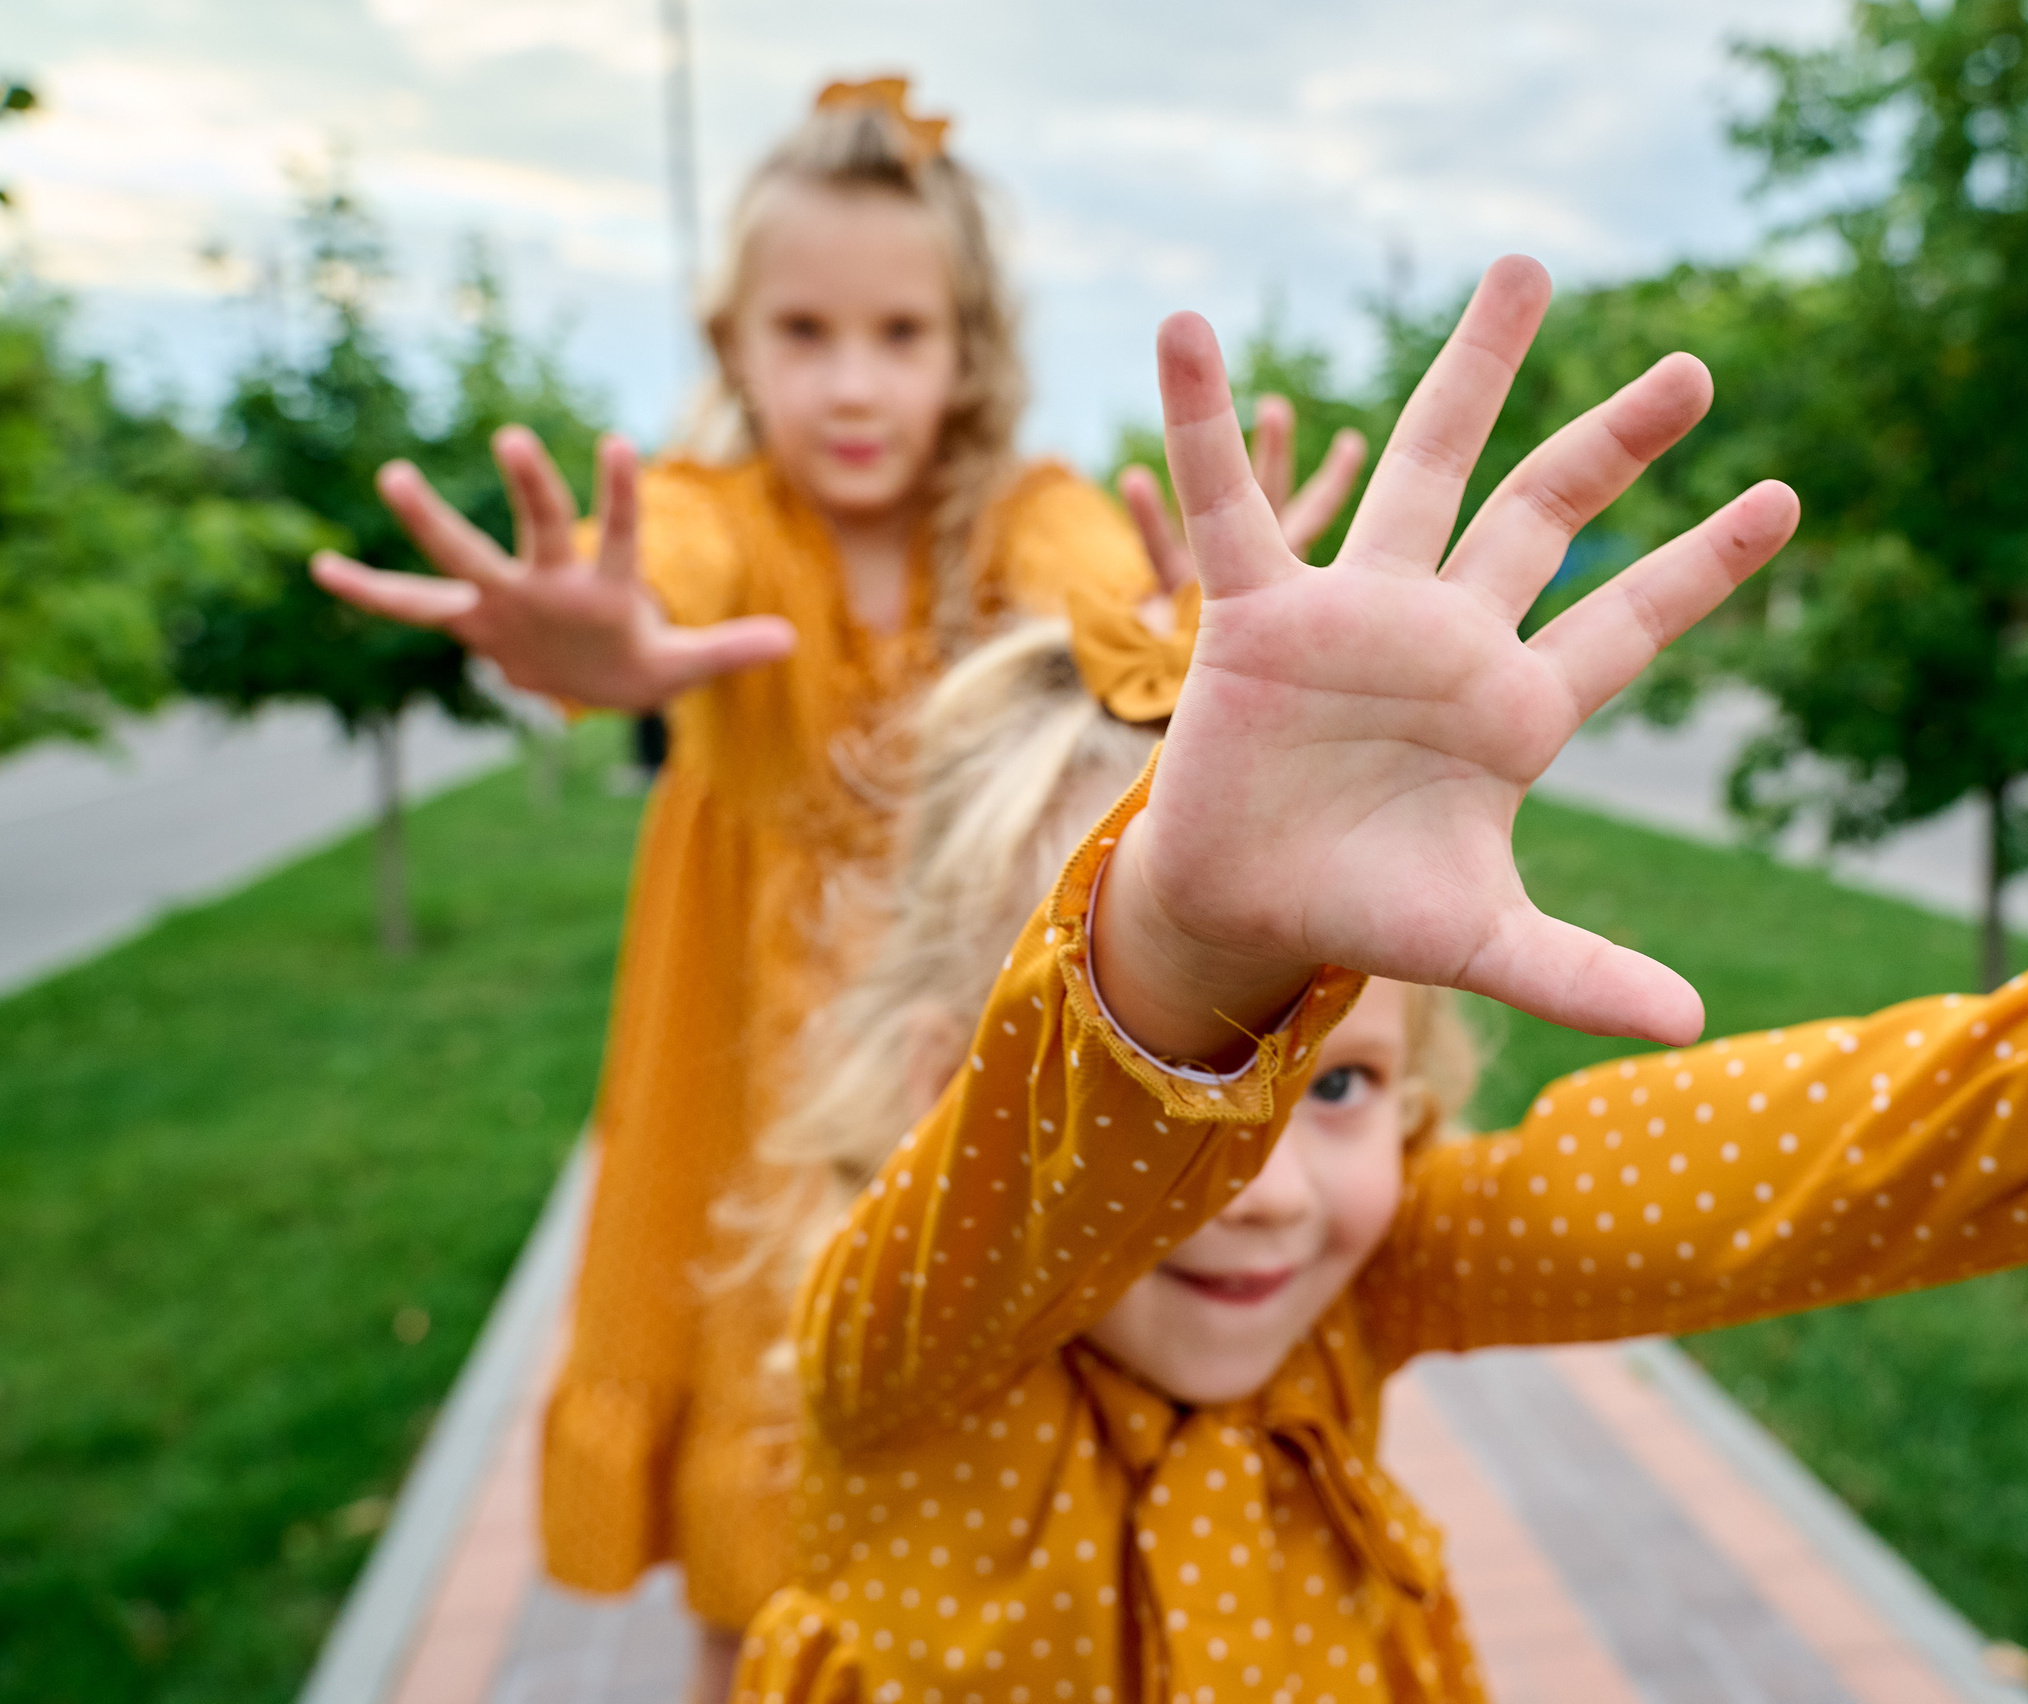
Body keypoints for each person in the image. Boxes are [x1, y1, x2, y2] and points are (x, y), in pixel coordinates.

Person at [730, 256, 2028, 1704]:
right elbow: (1033, 1178)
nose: (1268, 1184)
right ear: (922, 1087)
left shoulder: (1363, 1284)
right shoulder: (902, 1356)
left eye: (1338, 1081)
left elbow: (1765, 1168)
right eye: (1238, 1076)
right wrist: (1193, 951)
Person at [308, 76, 1363, 1694]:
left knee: (986, 1478)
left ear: (968, 349)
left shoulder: (1024, 512)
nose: (854, 385)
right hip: (748, 1073)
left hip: (959, 1057)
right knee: (758, 1484)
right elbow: (669, 571)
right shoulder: (722, 511)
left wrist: (1178, 635)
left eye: (900, 333)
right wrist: (605, 636)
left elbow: (1104, 601)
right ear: (736, 345)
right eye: (804, 333)